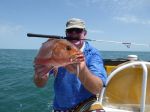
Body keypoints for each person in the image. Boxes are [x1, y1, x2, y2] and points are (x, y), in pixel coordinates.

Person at [34, 18, 107, 111]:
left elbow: (98, 89)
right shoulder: (57, 50)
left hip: (86, 104)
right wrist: (41, 73)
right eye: (70, 31)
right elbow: (39, 84)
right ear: (66, 33)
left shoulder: (93, 54)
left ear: (85, 33)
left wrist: (82, 71)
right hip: (60, 108)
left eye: (78, 30)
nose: (74, 34)